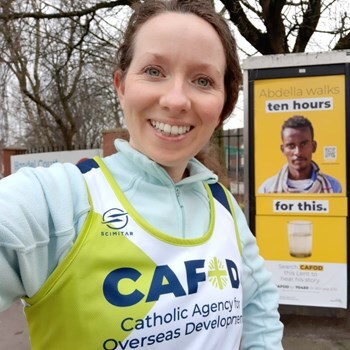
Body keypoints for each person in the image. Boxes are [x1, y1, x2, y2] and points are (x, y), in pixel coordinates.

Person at [0, 1, 283, 349]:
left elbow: (258, 312)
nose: (176, 100)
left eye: (203, 80)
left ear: (223, 104)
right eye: (153, 71)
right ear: (120, 85)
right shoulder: (57, 201)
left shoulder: (224, 205)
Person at [259, 115, 342, 194]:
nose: (298, 152)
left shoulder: (334, 187)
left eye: (303, 144)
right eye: (291, 146)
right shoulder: (267, 189)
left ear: (313, 146)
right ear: (283, 149)